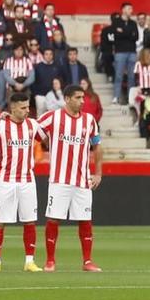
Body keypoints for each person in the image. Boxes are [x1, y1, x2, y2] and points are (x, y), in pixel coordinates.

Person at [38, 85, 103, 272]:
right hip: (59, 180)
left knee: (85, 220)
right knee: (53, 219)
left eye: (83, 97)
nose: (83, 101)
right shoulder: (53, 117)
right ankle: (50, 261)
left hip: (82, 180)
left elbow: (97, 146)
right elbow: (32, 131)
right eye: (78, 97)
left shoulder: (89, 120)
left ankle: (87, 261)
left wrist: (98, 173)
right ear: (67, 99)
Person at [0, 86, 43, 271]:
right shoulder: (1, 125)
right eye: (22, 108)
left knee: (29, 220)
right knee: (0, 221)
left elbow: (44, 138)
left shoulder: (33, 125)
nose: (26, 111)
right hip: (6, 180)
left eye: (27, 107)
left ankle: (29, 261)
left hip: (27, 180)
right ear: (13, 108)